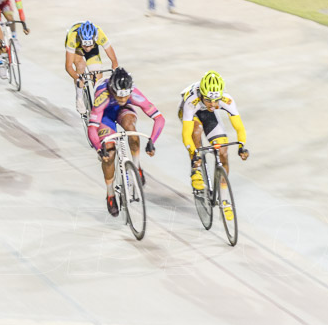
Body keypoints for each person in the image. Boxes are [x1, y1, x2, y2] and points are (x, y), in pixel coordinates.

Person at [87, 68, 165, 216]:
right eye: (119, 97)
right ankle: (110, 194)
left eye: (125, 97)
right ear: (112, 90)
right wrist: (99, 147)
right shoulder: (102, 96)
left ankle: (136, 166)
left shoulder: (133, 93)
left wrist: (152, 141)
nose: (122, 100)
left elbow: (159, 118)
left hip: (123, 111)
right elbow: (92, 128)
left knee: (131, 128)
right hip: (105, 115)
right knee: (109, 153)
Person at [178, 71, 249, 216]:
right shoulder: (191, 100)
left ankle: (224, 199)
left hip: (208, 116)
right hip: (192, 113)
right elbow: (186, 135)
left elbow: (239, 127)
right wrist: (193, 153)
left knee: (223, 151)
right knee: (195, 131)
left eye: (215, 101)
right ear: (202, 94)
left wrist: (242, 145)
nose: (212, 104)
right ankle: (196, 170)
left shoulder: (225, 99)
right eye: (209, 100)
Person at [65, 21, 119, 114]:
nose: (87, 48)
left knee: (97, 78)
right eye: (85, 45)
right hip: (77, 48)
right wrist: (78, 78)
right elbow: (68, 66)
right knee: (80, 65)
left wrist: (115, 69)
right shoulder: (73, 38)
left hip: (92, 49)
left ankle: (99, 103)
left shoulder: (100, 34)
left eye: (89, 45)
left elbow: (114, 60)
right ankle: (79, 97)